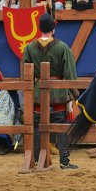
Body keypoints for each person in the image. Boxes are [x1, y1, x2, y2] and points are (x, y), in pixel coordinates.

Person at [22, 14, 78, 170]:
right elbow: (70, 74)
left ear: (39, 28)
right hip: (58, 93)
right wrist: (75, 95)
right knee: (60, 126)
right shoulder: (63, 47)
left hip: (38, 93)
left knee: (37, 126)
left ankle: (36, 159)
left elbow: (26, 74)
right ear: (53, 28)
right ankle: (64, 161)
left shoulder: (30, 47)